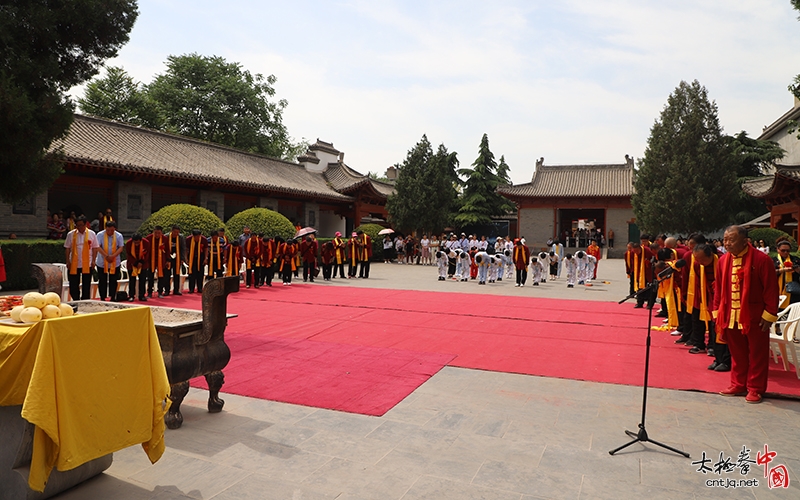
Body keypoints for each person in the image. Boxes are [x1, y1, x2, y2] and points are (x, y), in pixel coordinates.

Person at [714, 225, 779, 404]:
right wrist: (716, 312)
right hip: (731, 314)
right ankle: (738, 383)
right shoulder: (722, 261)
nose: (727, 243)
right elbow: (718, 289)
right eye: (725, 239)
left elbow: (771, 289)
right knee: (737, 352)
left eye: (731, 239)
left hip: (755, 315)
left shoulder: (761, 260)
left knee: (757, 354)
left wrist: (769, 314)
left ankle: (756, 388)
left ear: (745, 241)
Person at [64, 216, 98, 300]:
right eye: (77, 225)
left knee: (86, 284)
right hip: (74, 263)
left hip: (87, 262)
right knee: (73, 284)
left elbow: (95, 248)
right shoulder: (71, 234)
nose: (79, 227)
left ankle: (85, 300)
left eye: (81, 225)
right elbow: (67, 248)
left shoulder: (91, 233)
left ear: (85, 224)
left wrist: (93, 261)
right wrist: (68, 261)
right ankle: (76, 300)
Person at [95, 220, 124, 301]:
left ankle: (113, 296)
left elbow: (121, 247)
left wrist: (113, 256)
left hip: (115, 261)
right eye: (108, 230)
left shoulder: (118, 236)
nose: (110, 232)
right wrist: (106, 256)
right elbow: (98, 246)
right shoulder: (100, 235)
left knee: (113, 280)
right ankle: (102, 297)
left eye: (112, 230)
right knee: (102, 280)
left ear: (114, 229)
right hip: (102, 261)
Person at [774, 238, 800, 307]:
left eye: (788, 251)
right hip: (777, 289)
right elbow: (769, 273)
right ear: (778, 250)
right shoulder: (772, 260)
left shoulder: (795, 259)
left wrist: (798, 270)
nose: (785, 252)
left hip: (793, 291)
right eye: (783, 250)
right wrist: (783, 270)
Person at [144, 226, 169, 298]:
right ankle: (149, 293)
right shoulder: (148, 238)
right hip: (151, 261)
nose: (157, 235)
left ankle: (160, 292)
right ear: (153, 232)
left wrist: (167, 260)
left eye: (159, 233)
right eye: (156, 233)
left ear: (161, 233)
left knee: (161, 277)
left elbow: (167, 250)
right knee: (150, 277)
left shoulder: (165, 239)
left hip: (161, 261)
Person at [125, 233, 148, 301]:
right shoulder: (129, 243)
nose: (136, 244)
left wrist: (141, 262)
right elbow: (128, 254)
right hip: (132, 264)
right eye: (135, 242)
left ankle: (142, 295)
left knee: (142, 280)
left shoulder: (146, 243)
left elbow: (148, 254)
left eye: (138, 242)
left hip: (143, 264)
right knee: (132, 281)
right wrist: (135, 263)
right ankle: (131, 295)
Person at [186, 229, 208, 293]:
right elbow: (186, 249)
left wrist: (205, 258)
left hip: (201, 257)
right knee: (191, 273)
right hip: (191, 257)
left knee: (200, 273)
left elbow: (206, 249)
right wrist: (186, 258)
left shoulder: (204, 239)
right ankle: (191, 289)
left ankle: (200, 288)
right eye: (196, 237)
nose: (197, 238)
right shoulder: (188, 239)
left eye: (198, 236)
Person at [166, 225, 186, 296]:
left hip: (177, 258)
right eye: (175, 232)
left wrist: (182, 259)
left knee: (176, 274)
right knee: (167, 274)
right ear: (172, 231)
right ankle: (167, 290)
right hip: (168, 258)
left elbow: (183, 248)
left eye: (177, 232)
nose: (176, 234)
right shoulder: (167, 237)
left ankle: (176, 290)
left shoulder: (181, 238)